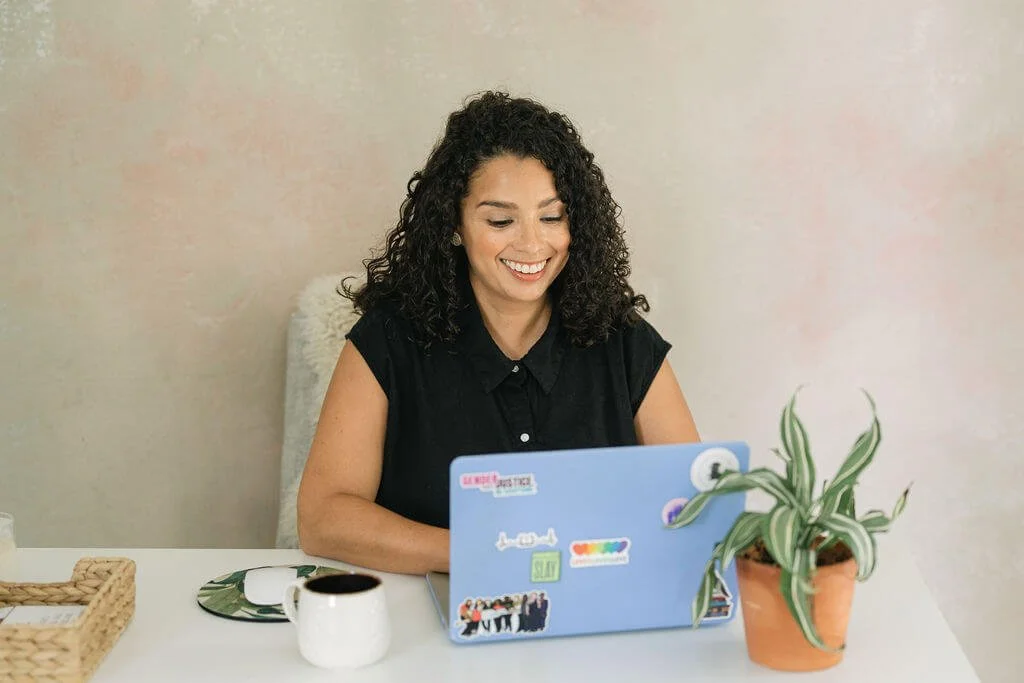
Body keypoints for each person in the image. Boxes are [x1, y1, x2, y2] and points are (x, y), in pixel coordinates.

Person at [297, 91, 700, 575]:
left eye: (552, 216)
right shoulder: (388, 339)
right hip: (425, 625)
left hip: (593, 621)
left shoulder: (626, 343)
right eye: (500, 220)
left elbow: (693, 508)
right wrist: (484, 555)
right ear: (455, 225)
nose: (532, 243)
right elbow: (322, 518)